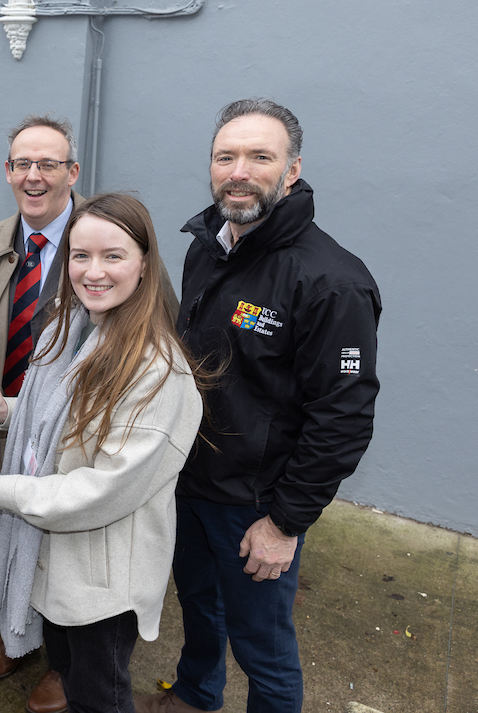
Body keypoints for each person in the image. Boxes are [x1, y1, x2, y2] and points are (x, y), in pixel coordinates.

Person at [135, 100, 381, 713]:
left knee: (263, 651)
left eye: (259, 157)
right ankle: (196, 694)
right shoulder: (206, 248)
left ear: (292, 170)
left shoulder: (332, 283)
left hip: (256, 506)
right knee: (199, 607)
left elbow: (344, 418)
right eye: (226, 157)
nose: (239, 171)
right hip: (190, 481)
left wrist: (284, 524)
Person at [0, 193, 206, 713]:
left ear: (145, 264)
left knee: (97, 695)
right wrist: (6, 411)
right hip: (56, 561)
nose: (94, 271)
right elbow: (58, 425)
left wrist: (0, 488)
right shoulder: (69, 327)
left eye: (114, 256)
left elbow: (104, 488)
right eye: (80, 255)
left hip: (102, 583)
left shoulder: (157, 371)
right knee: (66, 667)